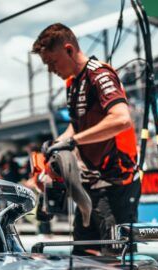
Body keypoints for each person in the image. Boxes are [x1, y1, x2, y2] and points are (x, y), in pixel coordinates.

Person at [31, 23, 140, 254]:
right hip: (92, 184)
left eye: (52, 62)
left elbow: (122, 119)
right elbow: (77, 124)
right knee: (82, 258)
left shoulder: (99, 74)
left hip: (116, 183)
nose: (50, 70)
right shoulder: (73, 83)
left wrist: (73, 142)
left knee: (117, 260)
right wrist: (56, 146)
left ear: (69, 50)